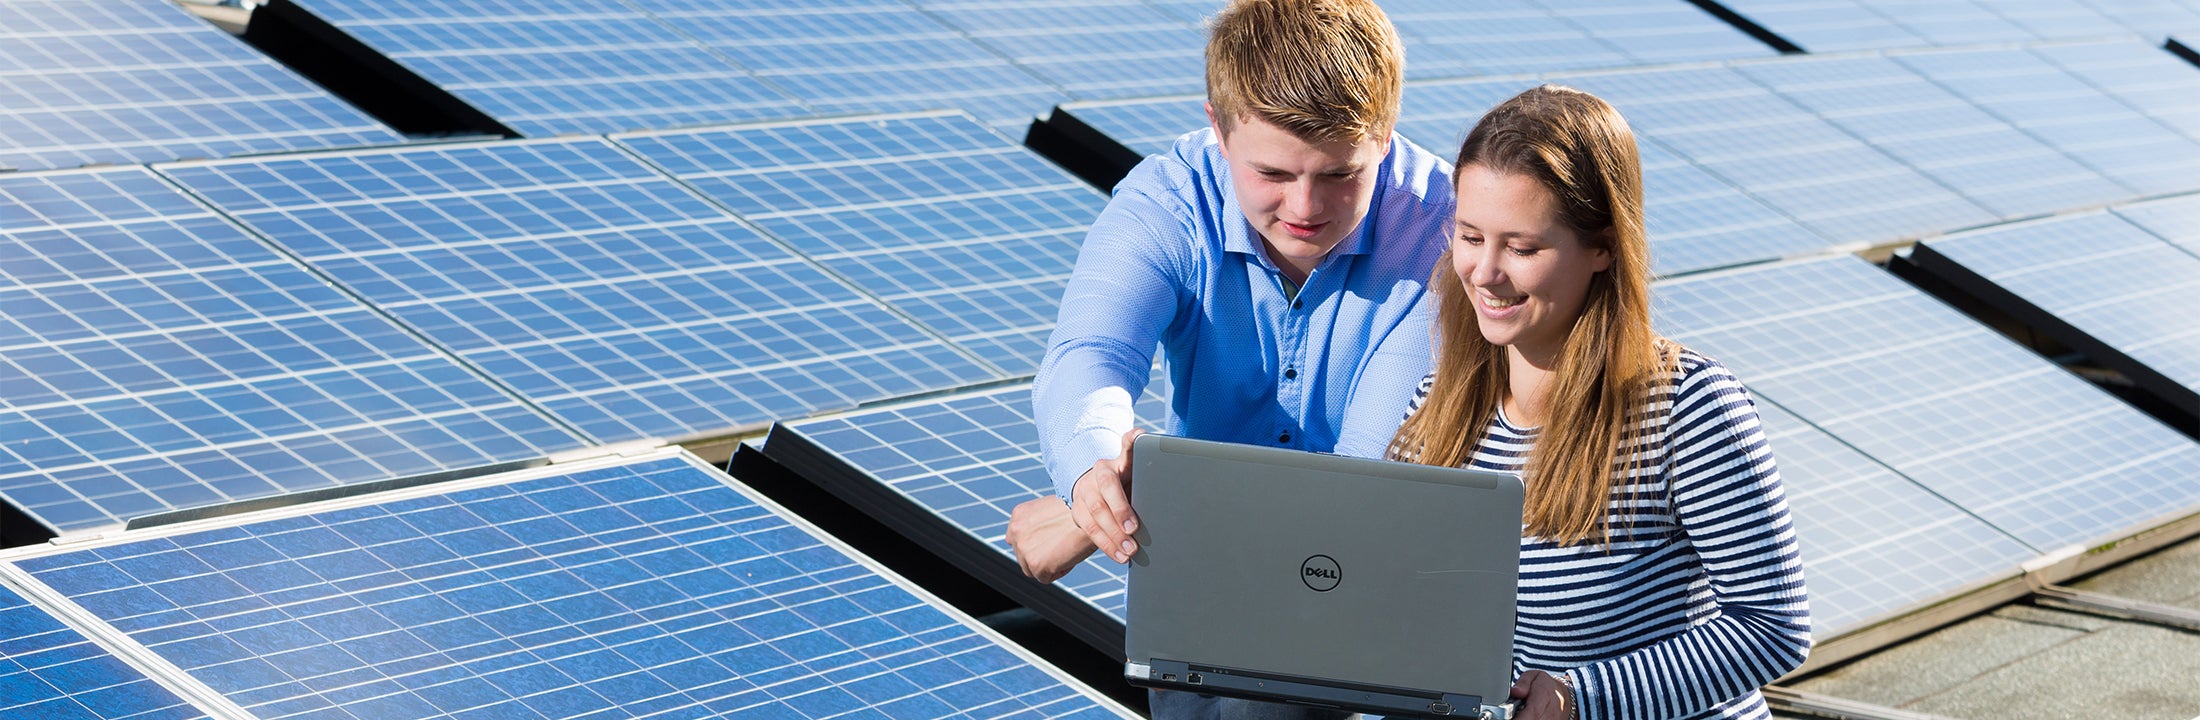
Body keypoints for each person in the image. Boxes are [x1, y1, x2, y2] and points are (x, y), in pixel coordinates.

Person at [1018, 0, 1452, 717]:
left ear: (1384, 136)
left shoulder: (1443, 233)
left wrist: (1084, 521)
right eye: (1274, 173)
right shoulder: (1167, 202)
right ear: (1218, 131)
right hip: (1191, 576)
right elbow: (1092, 354)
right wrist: (1093, 474)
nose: (1306, 206)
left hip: (1349, 571)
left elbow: (1362, 482)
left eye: (1340, 174)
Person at [1387, 85, 1811, 720]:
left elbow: (1774, 626)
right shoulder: (1438, 413)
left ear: (1604, 246)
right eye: (1471, 237)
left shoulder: (1686, 408)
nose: (1484, 271)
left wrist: (1581, 697)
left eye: (1523, 248)